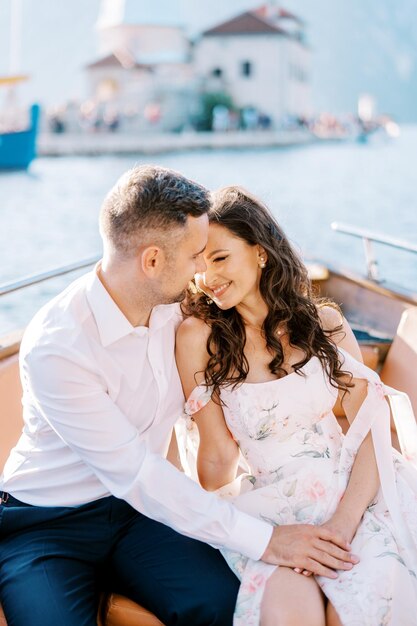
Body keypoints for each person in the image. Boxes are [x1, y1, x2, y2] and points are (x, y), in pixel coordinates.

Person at [0, 166, 357, 626]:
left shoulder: (180, 311)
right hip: (46, 524)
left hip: (136, 517)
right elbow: (138, 474)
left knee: (229, 604)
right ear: (152, 261)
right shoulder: (59, 346)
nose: (202, 274)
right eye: (194, 257)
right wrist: (268, 539)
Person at [176, 186, 417, 626]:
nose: (207, 277)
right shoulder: (199, 340)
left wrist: (344, 522)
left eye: (220, 258)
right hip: (269, 508)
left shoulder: (325, 324)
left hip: (356, 494)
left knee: (361, 608)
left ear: (261, 252)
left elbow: (370, 432)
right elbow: (214, 465)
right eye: (198, 264)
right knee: (291, 615)